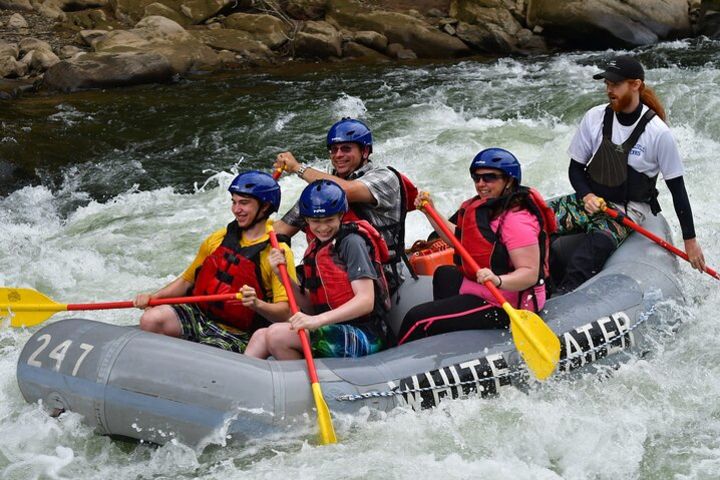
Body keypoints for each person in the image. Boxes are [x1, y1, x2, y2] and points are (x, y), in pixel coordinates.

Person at [550, 55, 706, 293]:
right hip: (590, 201)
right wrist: (586, 195)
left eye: (615, 84)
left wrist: (690, 241)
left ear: (635, 85)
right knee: (533, 220)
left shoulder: (658, 133)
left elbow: (678, 190)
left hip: (625, 210)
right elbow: (575, 169)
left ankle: (560, 301)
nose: (609, 90)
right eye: (607, 84)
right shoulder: (594, 117)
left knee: (586, 257)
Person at [397, 148, 555, 344]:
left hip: (507, 302)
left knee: (418, 319)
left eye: (489, 177)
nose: (481, 184)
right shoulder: (488, 207)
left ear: (510, 180)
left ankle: (394, 361)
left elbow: (529, 274)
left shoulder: (517, 220)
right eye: (476, 178)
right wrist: (431, 212)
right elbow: (458, 239)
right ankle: (446, 337)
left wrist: (497, 280)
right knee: (444, 274)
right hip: (485, 287)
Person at [134, 171, 296, 353]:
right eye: (234, 202)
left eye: (244, 203)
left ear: (265, 207)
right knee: (150, 319)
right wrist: (152, 298)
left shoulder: (277, 252)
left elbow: (286, 313)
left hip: (238, 333)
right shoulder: (219, 238)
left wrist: (257, 304)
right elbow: (187, 281)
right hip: (199, 316)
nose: (236, 209)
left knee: (206, 354)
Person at [245, 180, 391, 359]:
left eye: (329, 220)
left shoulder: (352, 243)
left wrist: (316, 321)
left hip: (366, 334)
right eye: (315, 221)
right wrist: (282, 277)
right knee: (260, 335)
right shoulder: (315, 249)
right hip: (334, 327)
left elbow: (366, 301)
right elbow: (311, 306)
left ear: (341, 215)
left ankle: (299, 385)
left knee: (277, 335)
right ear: (306, 220)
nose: (322, 228)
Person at [272, 117, 416, 292]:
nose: (338, 155)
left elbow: (345, 190)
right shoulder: (321, 192)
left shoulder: (385, 177)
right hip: (330, 271)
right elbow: (281, 229)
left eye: (346, 149)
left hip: (380, 275)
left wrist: (297, 168)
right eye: (334, 150)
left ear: (365, 151)